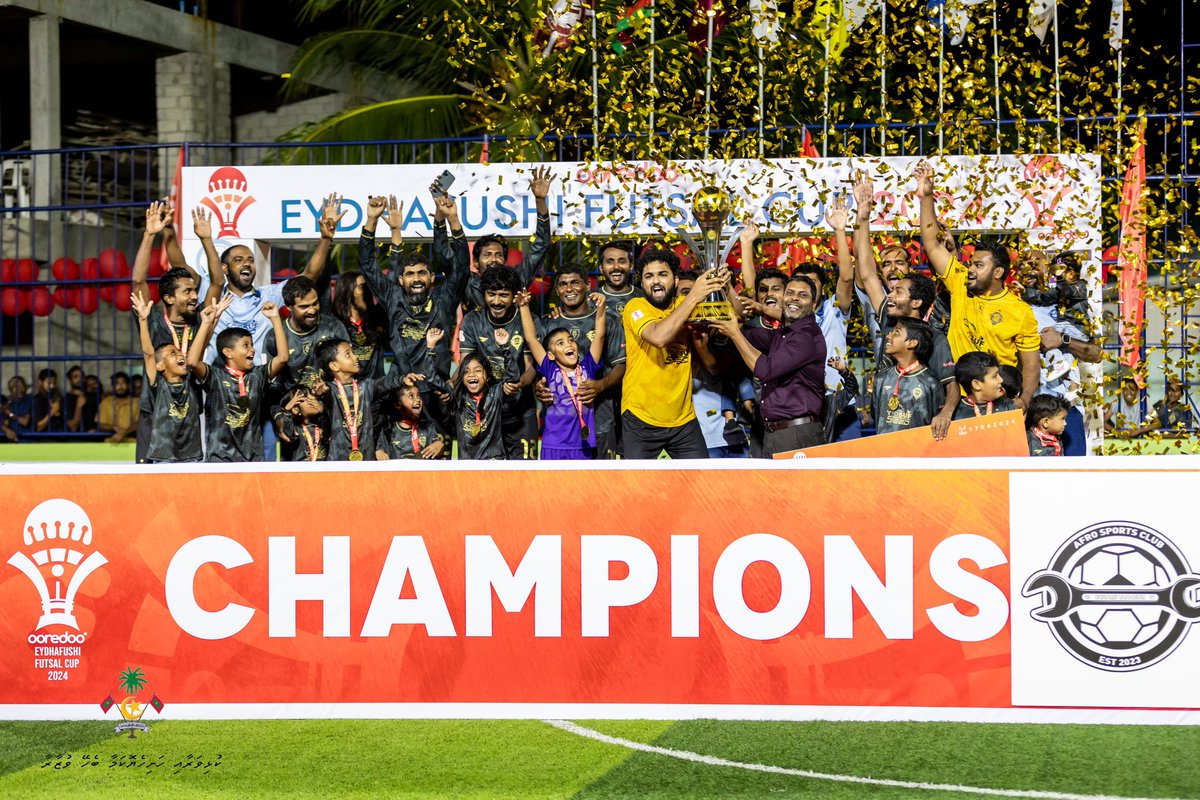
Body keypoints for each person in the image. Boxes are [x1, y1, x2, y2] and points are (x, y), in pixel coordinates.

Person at [916, 162, 1040, 408]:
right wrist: (926, 197)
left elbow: (1031, 364)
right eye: (971, 263)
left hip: (999, 400)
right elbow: (931, 243)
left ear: (998, 272)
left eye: (979, 266)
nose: (970, 269)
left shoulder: (1020, 311)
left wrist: (1024, 400)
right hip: (956, 399)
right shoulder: (960, 281)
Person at [853, 172, 959, 438]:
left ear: (917, 302)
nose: (890, 293)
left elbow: (951, 385)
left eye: (899, 290)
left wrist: (945, 414)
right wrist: (863, 216)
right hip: (887, 422)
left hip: (923, 430)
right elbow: (866, 273)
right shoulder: (889, 318)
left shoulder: (933, 336)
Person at [621, 248, 731, 459]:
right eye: (648, 276)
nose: (655, 281)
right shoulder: (635, 307)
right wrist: (694, 297)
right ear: (642, 283)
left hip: (683, 420)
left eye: (662, 274)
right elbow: (658, 337)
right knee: (637, 488)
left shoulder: (685, 305)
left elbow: (733, 317)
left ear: (676, 279)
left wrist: (724, 287)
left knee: (700, 484)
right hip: (640, 418)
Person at [712, 273, 827, 457]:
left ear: (814, 305)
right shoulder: (784, 334)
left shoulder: (806, 336)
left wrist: (734, 333)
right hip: (776, 433)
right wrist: (727, 290)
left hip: (796, 435)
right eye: (790, 292)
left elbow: (765, 370)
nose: (795, 298)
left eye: (803, 295)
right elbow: (747, 335)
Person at [360, 191, 469, 379]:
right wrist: (371, 220)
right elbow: (367, 264)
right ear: (401, 280)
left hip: (437, 391)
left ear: (432, 277)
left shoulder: (444, 299)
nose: (416, 279)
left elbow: (462, 267)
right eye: (410, 274)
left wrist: (454, 220)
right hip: (402, 390)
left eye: (422, 273)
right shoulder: (392, 297)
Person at [188, 296, 288, 462]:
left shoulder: (258, 375)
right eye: (246, 345)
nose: (253, 350)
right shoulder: (216, 376)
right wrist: (206, 323)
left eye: (252, 345)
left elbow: (283, 358)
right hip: (220, 459)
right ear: (228, 352)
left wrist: (276, 319)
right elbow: (192, 362)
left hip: (252, 459)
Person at [545, 264, 627, 458]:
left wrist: (600, 385)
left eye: (575, 282)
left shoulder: (610, 320)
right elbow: (542, 370)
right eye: (563, 284)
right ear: (557, 290)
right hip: (564, 425)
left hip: (602, 416)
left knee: (604, 481)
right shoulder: (549, 324)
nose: (569, 289)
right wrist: (538, 387)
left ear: (588, 285)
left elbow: (622, 365)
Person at [459, 266, 540, 459]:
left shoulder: (528, 320)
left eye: (503, 295)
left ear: (514, 296)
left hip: (521, 412)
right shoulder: (473, 320)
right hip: (485, 412)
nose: (496, 301)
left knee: (524, 475)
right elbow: (465, 364)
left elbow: (531, 367)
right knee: (486, 476)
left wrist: (520, 383)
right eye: (491, 294)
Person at [518, 287, 606, 460]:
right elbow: (531, 339)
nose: (569, 345)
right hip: (553, 445)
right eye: (560, 343)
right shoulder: (550, 369)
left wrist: (601, 307)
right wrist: (523, 307)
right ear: (551, 355)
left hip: (583, 444)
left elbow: (600, 336)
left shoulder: (588, 367)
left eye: (571, 340)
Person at [132, 201, 222, 352]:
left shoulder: (201, 319)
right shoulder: (151, 320)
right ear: (169, 298)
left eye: (194, 290)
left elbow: (217, 283)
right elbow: (138, 281)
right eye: (187, 291)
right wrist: (149, 235)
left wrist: (206, 239)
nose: (195, 296)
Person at [313, 337, 415, 461]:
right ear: (334, 366)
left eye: (353, 353)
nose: (356, 357)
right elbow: (326, 395)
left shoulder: (366, 387)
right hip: (338, 461)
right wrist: (322, 392)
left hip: (367, 458)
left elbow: (383, 383)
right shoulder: (331, 390)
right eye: (348, 355)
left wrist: (402, 380)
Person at [131, 292, 204, 463]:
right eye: (173, 353)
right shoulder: (158, 385)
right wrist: (143, 320)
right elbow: (149, 354)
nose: (180, 355)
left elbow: (196, 352)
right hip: (163, 457)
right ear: (160, 366)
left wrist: (207, 323)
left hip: (191, 457)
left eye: (179, 352)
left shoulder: (191, 381)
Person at [466, 165, 554, 307]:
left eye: (499, 255)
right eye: (487, 254)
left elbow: (541, 244)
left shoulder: (517, 278)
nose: (494, 259)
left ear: (505, 260)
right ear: (475, 262)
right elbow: (451, 259)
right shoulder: (469, 283)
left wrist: (540, 201)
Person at [267, 275, 350, 391]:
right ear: (288, 307)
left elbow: (348, 371)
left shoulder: (334, 328)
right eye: (304, 307)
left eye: (315, 303)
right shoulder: (274, 337)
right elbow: (270, 382)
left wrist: (329, 391)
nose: (312, 310)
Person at [872, 318, 945, 436]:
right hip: (884, 450)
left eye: (896, 332)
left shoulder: (930, 383)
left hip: (917, 452)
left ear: (912, 343)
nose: (888, 336)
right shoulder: (881, 378)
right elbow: (875, 414)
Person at [331, 270, 388, 380]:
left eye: (367, 287)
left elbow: (389, 291)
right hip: (348, 390)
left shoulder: (376, 318)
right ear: (346, 291)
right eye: (361, 287)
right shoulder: (335, 324)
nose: (367, 291)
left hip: (376, 388)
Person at [376, 378, 447, 460]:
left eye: (419, 395)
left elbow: (437, 446)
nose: (417, 400)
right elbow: (380, 450)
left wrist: (440, 446)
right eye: (411, 396)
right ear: (398, 405)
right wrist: (379, 452)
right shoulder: (388, 428)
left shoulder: (428, 426)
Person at [952, 351, 1017, 420]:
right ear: (976, 385)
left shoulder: (1008, 406)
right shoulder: (955, 413)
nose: (1001, 380)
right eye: (994, 376)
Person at [277, 385, 330, 462]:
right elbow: (289, 435)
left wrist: (323, 413)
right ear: (295, 409)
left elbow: (328, 435)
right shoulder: (295, 429)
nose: (312, 399)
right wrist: (287, 411)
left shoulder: (322, 425)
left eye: (312, 396)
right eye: (305, 398)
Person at [596, 239, 641, 314]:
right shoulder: (592, 299)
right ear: (601, 268)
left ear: (631, 267)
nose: (616, 267)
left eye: (622, 261)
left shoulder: (643, 297)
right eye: (610, 262)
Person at [97, 372, 137, 443]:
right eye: (117, 383)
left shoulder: (137, 402)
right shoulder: (106, 402)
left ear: (128, 385)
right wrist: (114, 428)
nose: (120, 386)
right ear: (112, 386)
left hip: (133, 443)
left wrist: (124, 432)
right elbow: (101, 425)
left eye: (123, 383)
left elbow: (141, 423)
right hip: (110, 442)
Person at [33, 368, 64, 433]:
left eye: (54, 383)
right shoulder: (37, 400)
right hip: (45, 440)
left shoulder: (58, 398)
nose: (52, 386)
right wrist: (52, 412)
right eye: (49, 383)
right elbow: (38, 427)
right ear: (40, 382)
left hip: (61, 438)